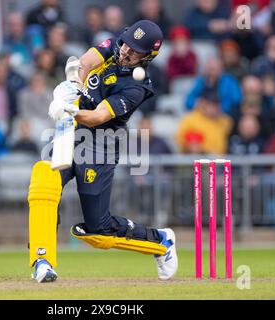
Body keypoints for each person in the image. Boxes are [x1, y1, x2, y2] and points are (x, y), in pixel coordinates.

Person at [29, 20, 178, 283]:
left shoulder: (137, 87)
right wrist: (72, 85)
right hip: (71, 133)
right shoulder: (116, 44)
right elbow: (84, 63)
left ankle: (161, 241)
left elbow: (98, 117)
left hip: (100, 146)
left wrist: (70, 109)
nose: (126, 52)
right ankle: (43, 261)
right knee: (43, 178)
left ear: (148, 57)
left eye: (135, 51)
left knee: (98, 232)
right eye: (127, 44)